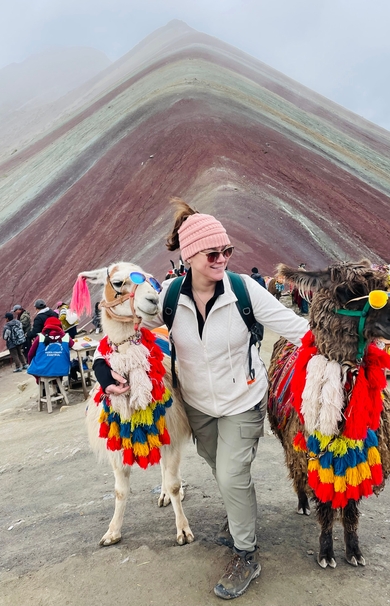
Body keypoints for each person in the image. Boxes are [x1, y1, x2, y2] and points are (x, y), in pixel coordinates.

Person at [93, 198, 309, 600]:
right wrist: (102, 369)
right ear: (190, 255)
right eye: (213, 252)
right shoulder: (170, 297)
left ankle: (246, 552)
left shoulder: (246, 290)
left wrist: (347, 347)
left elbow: (299, 330)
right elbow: (122, 334)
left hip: (243, 400)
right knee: (217, 465)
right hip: (196, 407)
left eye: (227, 251)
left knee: (231, 474)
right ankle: (239, 515)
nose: (222, 258)